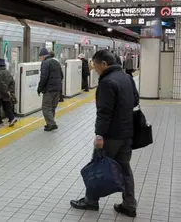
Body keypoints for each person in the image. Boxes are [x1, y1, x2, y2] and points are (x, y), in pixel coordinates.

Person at [70, 50, 138, 218]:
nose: (94, 69)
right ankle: (129, 205)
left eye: (95, 66)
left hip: (111, 136)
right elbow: (135, 101)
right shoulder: (127, 77)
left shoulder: (107, 82)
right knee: (125, 169)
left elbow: (104, 112)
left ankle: (91, 201)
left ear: (104, 64)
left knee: (97, 165)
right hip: (127, 133)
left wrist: (99, 135)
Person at [37, 48, 63, 131]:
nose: (41, 58)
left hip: (49, 90)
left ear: (44, 56)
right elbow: (62, 76)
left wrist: (39, 88)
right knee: (52, 107)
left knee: (46, 107)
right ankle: (49, 124)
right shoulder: (56, 62)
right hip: (57, 89)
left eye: (41, 57)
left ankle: (52, 124)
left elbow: (43, 77)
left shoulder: (45, 63)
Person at [0, 58, 17, 127]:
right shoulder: (7, 72)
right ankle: (12, 118)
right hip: (6, 93)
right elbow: (12, 82)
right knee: (7, 107)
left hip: (0, 93)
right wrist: (10, 91)